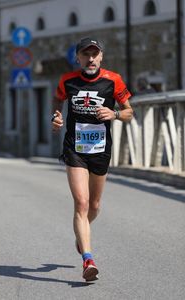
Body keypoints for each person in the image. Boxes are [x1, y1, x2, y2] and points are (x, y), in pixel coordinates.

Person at [51, 37, 133, 281]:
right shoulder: (68, 81)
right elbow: (57, 99)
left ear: (101, 57)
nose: (91, 58)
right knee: (82, 203)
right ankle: (88, 259)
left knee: (94, 206)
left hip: (100, 150)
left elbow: (130, 112)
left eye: (95, 54)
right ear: (78, 58)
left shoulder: (113, 80)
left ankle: (81, 234)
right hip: (75, 148)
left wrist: (115, 113)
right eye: (86, 54)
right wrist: (56, 115)